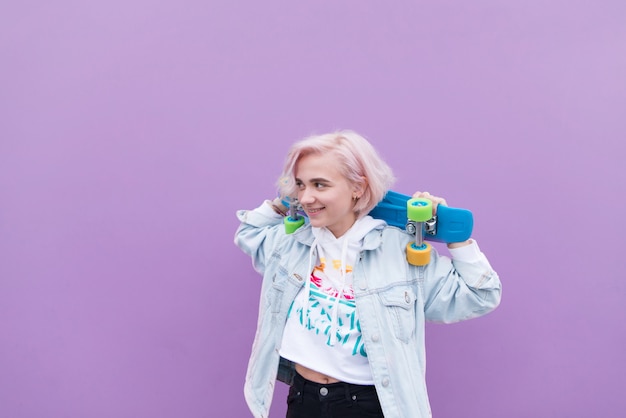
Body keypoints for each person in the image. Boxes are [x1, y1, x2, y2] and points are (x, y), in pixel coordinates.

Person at [234, 130, 501, 418]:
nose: (307, 197)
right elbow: (248, 232)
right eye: (301, 185)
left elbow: (481, 295)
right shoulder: (292, 243)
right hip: (303, 398)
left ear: (357, 188)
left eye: (320, 185)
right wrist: (282, 203)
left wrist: (454, 236)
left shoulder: (400, 252)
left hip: (367, 404)